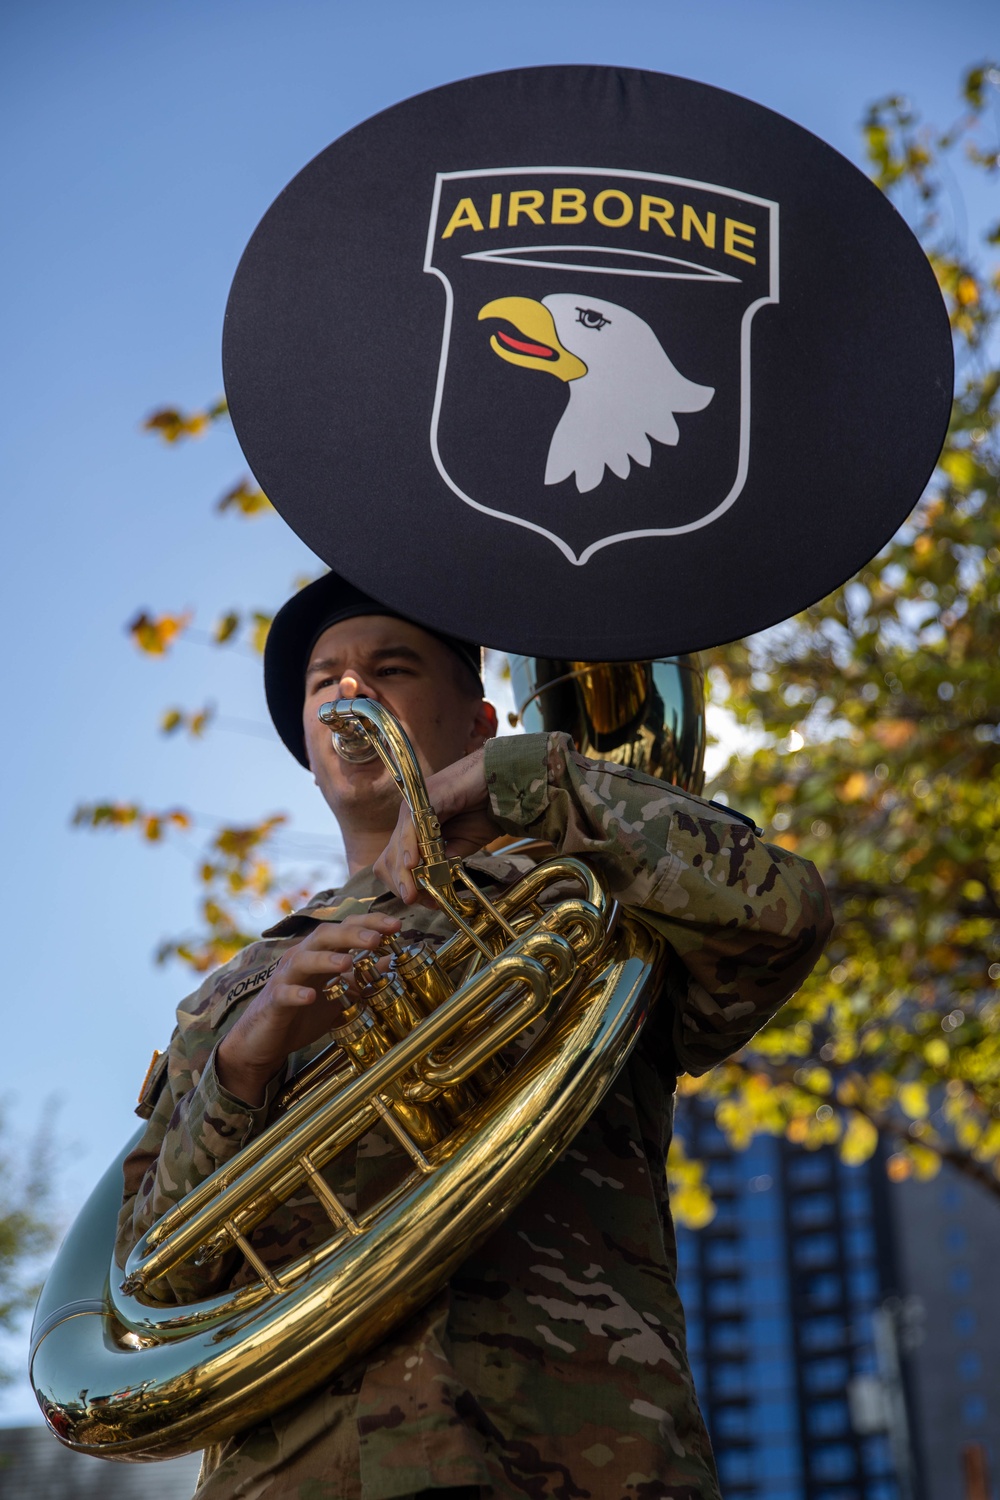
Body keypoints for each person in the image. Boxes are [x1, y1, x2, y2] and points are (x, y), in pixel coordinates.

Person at [116, 571, 832, 1500]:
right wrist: (245, 1065)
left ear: (481, 725)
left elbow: (783, 917)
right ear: (306, 741)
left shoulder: (591, 885)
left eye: (391, 667)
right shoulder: (228, 1004)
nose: (349, 690)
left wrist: (530, 788)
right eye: (322, 679)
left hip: (578, 1457)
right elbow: (146, 1297)